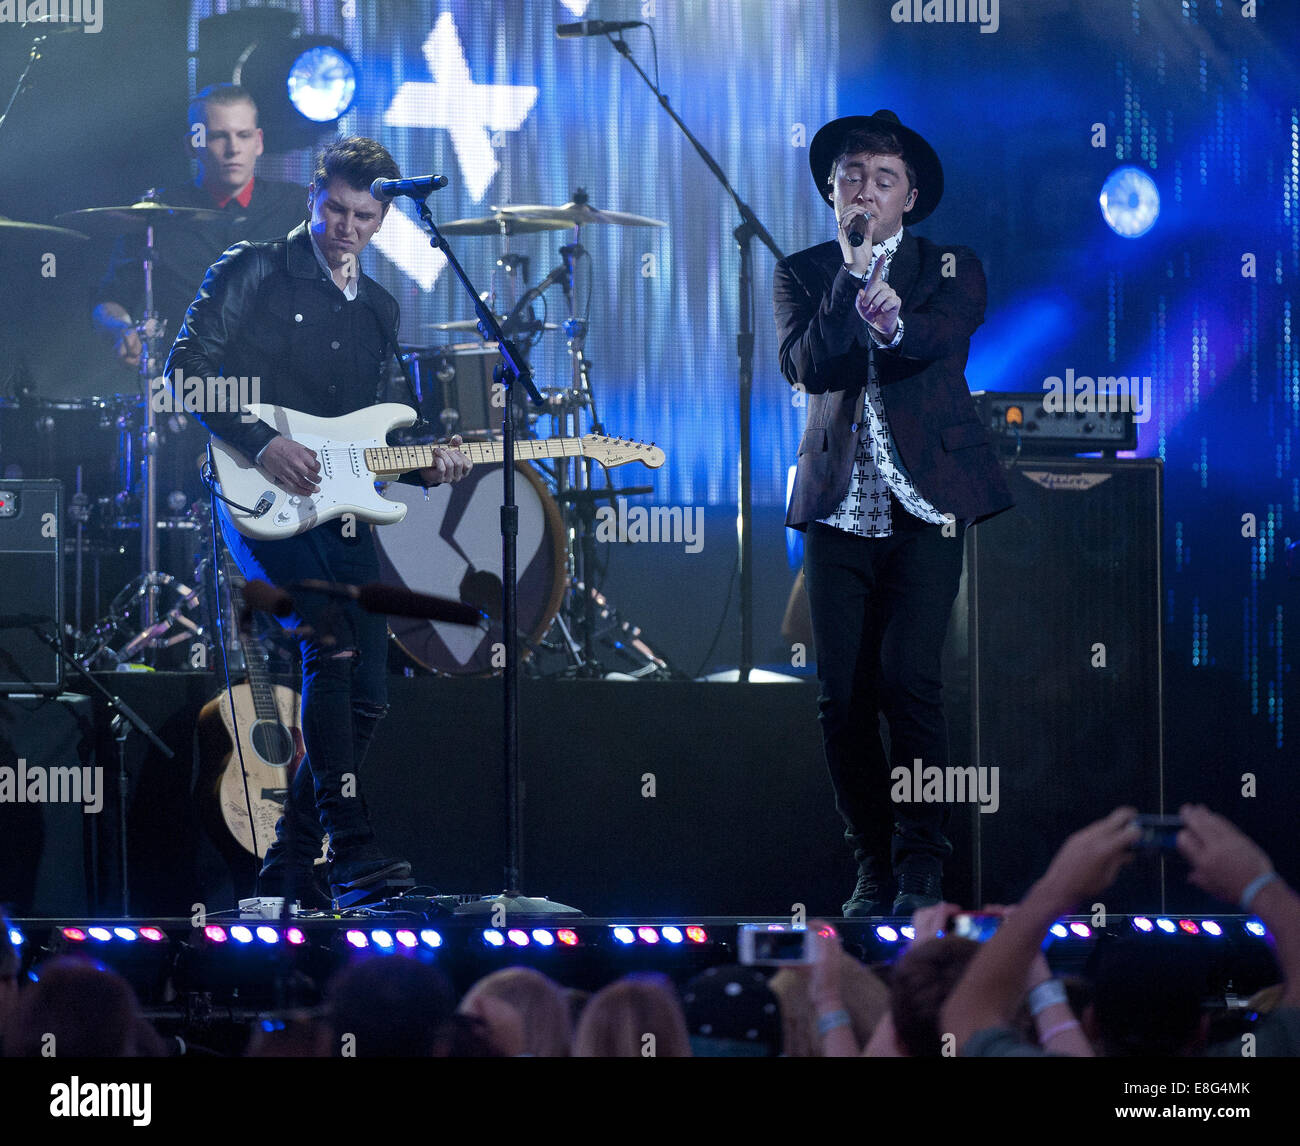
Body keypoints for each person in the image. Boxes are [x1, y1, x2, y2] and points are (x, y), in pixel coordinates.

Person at [165, 136, 472, 905]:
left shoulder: (378, 305)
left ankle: (287, 869)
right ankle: (355, 850)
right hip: (259, 493)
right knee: (331, 651)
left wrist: (427, 463)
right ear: (313, 194)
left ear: (382, 218)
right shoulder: (253, 270)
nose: (345, 226)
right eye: (334, 208)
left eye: (363, 216)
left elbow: (384, 430)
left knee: (369, 690)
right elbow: (184, 371)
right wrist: (261, 441)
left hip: (341, 506)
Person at [773, 109, 1013, 917]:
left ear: (909, 195)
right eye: (852, 179)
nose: (865, 193)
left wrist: (894, 315)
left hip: (927, 505)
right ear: (831, 192)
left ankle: (920, 864)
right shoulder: (802, 271)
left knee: (910, 678)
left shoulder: (951, 265)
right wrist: (846, 282)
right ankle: (871, 860)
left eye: (883, 180)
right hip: (840, 506)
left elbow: (940, 342)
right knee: (842, 698)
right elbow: (811, 365)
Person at [92, 84, 308, 508]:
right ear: (193, 143)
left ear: (259, 142)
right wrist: (120, 329)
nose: (232, 148)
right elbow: (109, 300)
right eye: (218, 135)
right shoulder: (157, 214)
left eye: (243, 136)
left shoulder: (295, 206)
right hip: (189, 397)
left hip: (279, 398)